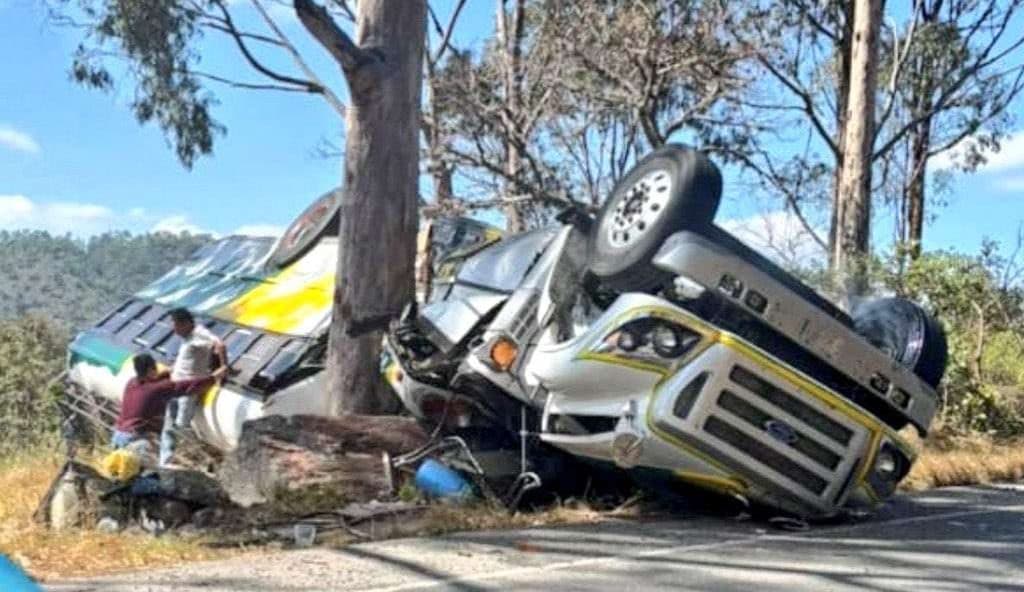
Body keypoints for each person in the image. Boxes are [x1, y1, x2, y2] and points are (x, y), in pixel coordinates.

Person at [111, 353, 224, 456]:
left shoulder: (132, 382)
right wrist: (213, 378)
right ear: (151, 369)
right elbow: (188, 387)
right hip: (134, 440)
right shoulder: (158, 389)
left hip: (118, 435)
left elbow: (153, 381)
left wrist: (170, 370)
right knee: (140, 470)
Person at [161, 308, 227, 466]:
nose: (174, 330)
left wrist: (224, 366)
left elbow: (220, 345)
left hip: (189, 389)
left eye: (176, 326)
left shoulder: (200, 333)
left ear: (186, 323)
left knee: (180, 426)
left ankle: (199, 457)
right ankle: (165, 461)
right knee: (168, 425)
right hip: (175, 386)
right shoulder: (186, 337)